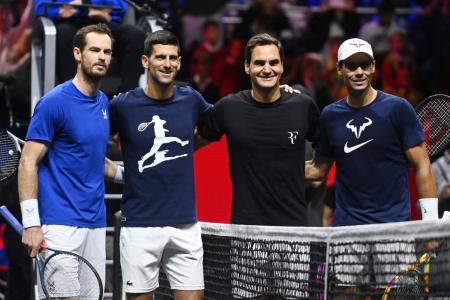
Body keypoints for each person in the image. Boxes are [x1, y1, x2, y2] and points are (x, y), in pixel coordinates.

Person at [305, 37, 438, 298]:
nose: (359, 72)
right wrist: (274, 165)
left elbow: (423, 165)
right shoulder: (330, 116)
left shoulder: (398, 109)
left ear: (374, 67)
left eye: (365, 65)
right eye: (352, 66)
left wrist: (430, 224)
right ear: (340, 69)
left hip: (394, 229)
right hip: (347, 229)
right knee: (344, 295)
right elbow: (317, 170)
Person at [197, 33, 320, 299]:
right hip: (246, 232)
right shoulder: (228, 108)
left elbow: (326, 149)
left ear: (283, 66)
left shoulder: (302, 106)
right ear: (246, 67)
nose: (267, 69)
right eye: (260, 63)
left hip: (295, 232)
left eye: (273, 62)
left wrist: (314, 171)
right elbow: (191, 144)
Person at [18, 24, 122, 299]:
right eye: (95, 50)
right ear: (78, 53)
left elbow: (93, 161)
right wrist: (31, 223)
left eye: (107, 52)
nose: (102, 57)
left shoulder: (103, 104)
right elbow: (28, 161)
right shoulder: (54, 103)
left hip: (96, 224)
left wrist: (132, 175)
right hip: (59, 226)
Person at [109, 30, 212, 300]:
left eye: (173, 58)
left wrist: (281, 92)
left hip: (185, 226)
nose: (167, 63)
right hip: (139, 227)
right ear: (145, 61)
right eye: (160, 57)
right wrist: (119, 172)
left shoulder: (191, 99)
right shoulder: (123, 105)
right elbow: (91, 142)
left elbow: (225, 119)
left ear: (179, 63)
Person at [34, 0, 145, 94]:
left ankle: (128, 99)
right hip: (69, 25)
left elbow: (119, 7)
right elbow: (40, 8)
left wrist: (86, 9)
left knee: (135, 35)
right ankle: (71, 96)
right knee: (63, 33)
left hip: (103, 25)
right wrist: (64, 11)